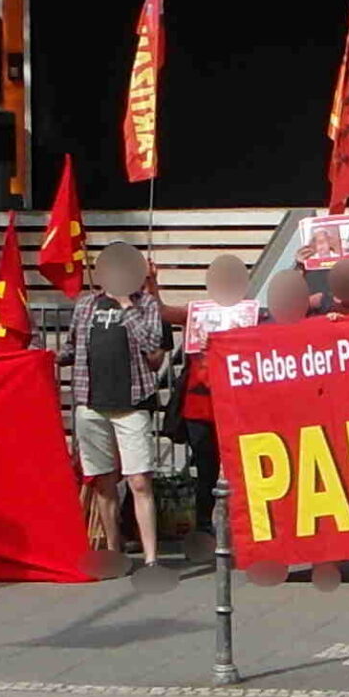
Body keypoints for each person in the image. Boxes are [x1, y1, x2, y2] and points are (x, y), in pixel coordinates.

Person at [68, 243, 171, 568]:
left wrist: (127, 306)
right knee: (103, 482)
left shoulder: (147, 305)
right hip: (91, 403)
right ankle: (114, 550)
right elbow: (73, 346)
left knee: (139, 480)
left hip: (131, 403)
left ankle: (152, 557)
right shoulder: (85, 305)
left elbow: (153, 344)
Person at [175, 255, 260, 516]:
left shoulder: (250, 314)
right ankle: (204, 524)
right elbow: (164, 312)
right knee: (205, 468)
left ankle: (239, 524)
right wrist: (152, 286)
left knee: (238, 468)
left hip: (234, 405)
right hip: (199, 407)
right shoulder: (197, 312)